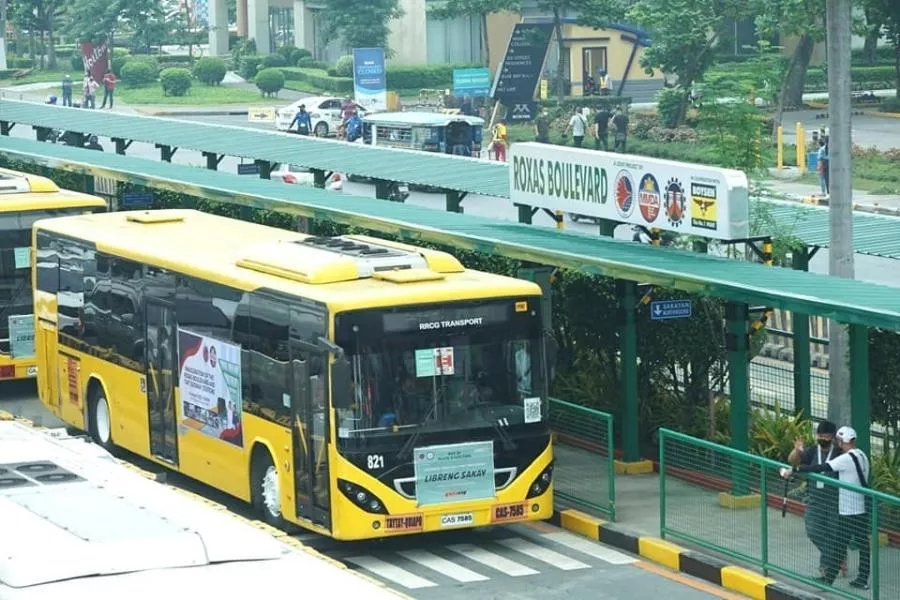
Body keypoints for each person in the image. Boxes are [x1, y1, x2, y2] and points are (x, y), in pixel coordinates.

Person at [781, 426, 870, 590]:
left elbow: (820, 468)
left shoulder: (845, 458)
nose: (838, 444)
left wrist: (794, 470)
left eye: (838, 440)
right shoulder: (862, 455)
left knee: (840, 544)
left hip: (847, 509)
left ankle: (829, 580)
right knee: (861, 545)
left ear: (843, 441)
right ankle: (861, 579)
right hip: (860, 508)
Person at [787, 421, 846, 578]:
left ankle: (826, 567)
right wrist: (797, 450)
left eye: (826, 436)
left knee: (833, 533)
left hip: (835, 500)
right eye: (820, 436)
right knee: (813, 530)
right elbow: (793, 461)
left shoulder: (839, 453)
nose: (822, 439)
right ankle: (838, 557)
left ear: (833, 437)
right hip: (815, 499)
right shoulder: (813, 451)